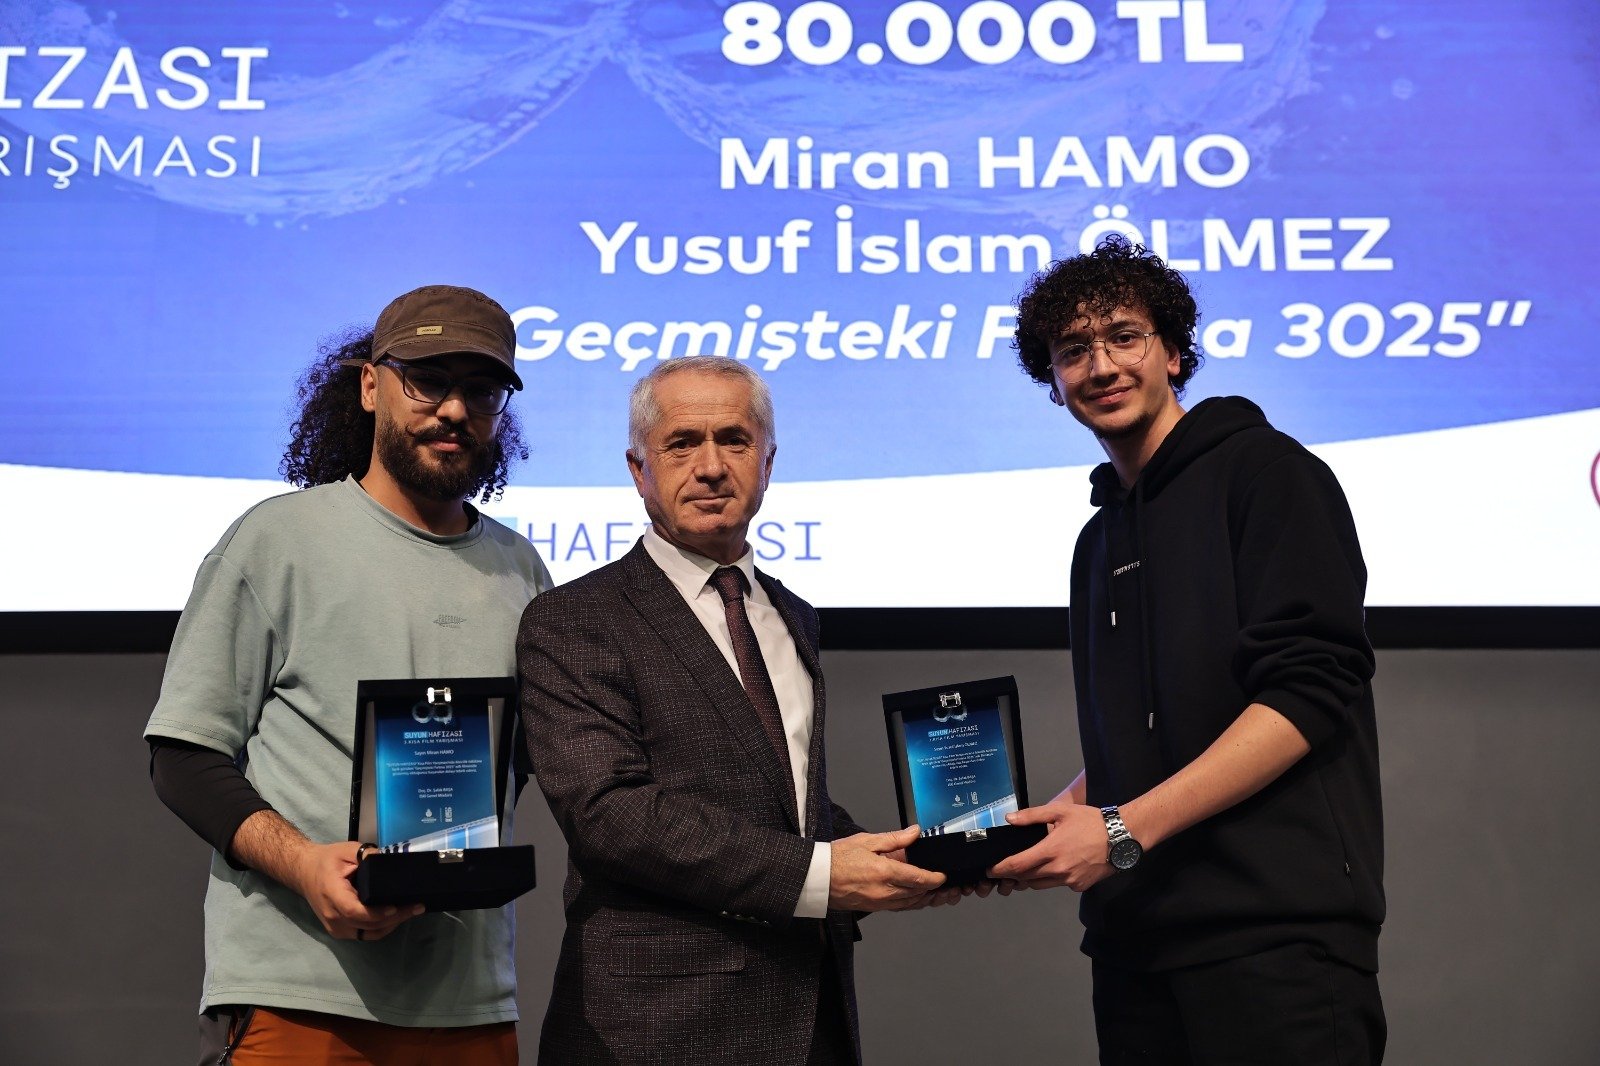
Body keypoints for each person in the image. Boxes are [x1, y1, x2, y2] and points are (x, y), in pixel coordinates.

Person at [991, 237, 1386, 1064]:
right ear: (1053, 384)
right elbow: (1148, 734)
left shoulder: (1268, 474)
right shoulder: (1098, 540)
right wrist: (1056, 816)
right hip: (1134, 946)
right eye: (1073, 351)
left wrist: (1120, 830)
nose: (1102, 365)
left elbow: (1308, 692)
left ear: (1173, 353)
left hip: (1274, 942)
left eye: (1124, 337)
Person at [145, 284, 552, 1064]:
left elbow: (518, 766)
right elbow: (183, 756)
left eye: (481, 390)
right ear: (371, 386)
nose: (454, 409)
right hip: (300, 991)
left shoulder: (521, 569)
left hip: (470, 998)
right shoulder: (277, 540)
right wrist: (306, 865)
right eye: (427, 381)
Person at [516, 357, 949, 1065]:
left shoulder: (793, 615)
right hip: (652, 1032)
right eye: (682, 443)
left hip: (812, 1020)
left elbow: (782, 804)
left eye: (735, 441)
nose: (712, 467)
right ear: (638, 470)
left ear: (768, 463)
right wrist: (823, 875)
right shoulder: (573, 619)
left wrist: (922, 853)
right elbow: (609, 815)